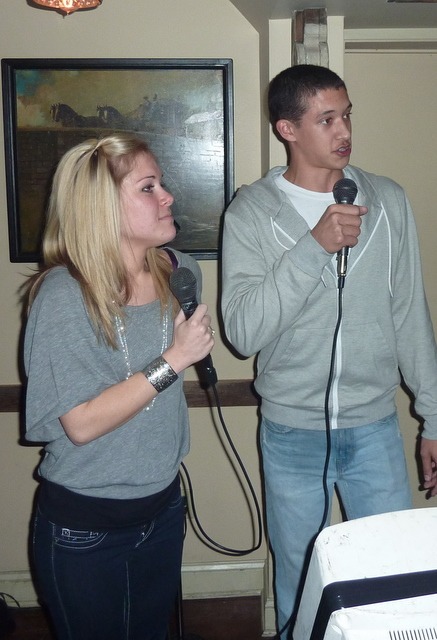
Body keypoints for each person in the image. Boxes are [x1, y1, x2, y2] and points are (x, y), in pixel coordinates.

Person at [221, 64, 437, 638]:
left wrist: (435, 416)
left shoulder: (387, 201)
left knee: (393, 578)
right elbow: (242, 331)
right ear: (287, 129)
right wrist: (312, 247)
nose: (344, 131)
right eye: (326, 119)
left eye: (346, 116)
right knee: (301, 582)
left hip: (375, 429)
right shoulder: (251, 213)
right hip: (292, 433)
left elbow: (410, 314)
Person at [23, 132, 214, 640]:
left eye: (162, 183)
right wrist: (174, 359)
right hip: (85, 529)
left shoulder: (181, 272)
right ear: (101, 207)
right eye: (148, 187)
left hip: (163, 508)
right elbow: (81, 424)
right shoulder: (65, 296)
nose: (167, 196)